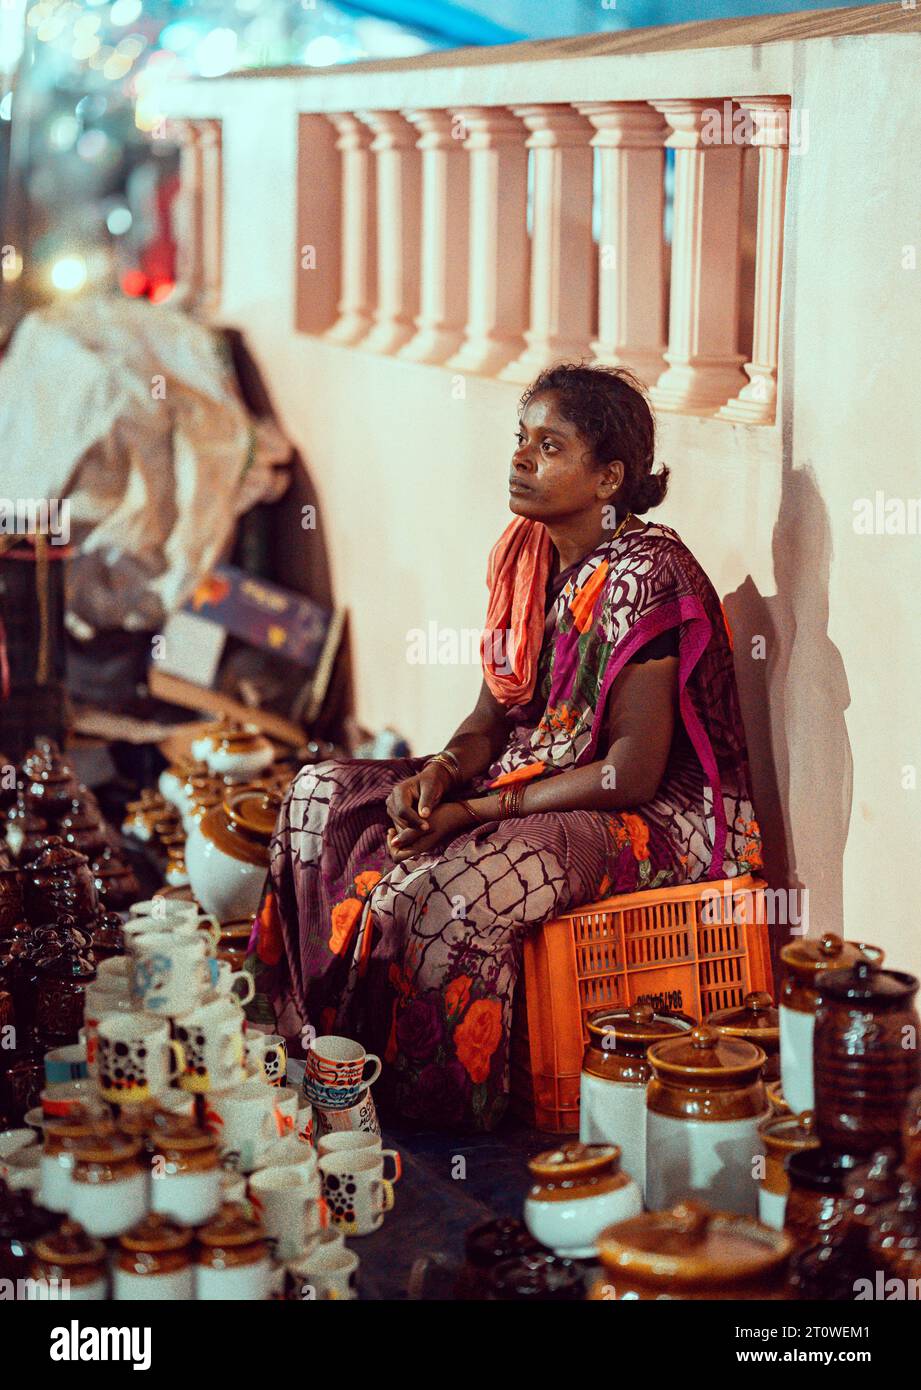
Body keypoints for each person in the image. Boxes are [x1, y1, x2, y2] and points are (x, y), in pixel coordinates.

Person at [249, 363, 763, 1130]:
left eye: (549, 446)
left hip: (655, 817)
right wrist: (441, 772)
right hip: (539, 773)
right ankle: (312, 1047)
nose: (521, 458)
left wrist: (474, 812)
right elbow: (492, 713)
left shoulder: (650, 573)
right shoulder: (524, 556)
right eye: (520, 439)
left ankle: (434, 1120)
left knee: (443, 895)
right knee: (318, 796)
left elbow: (630, 770)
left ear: (608, 477)